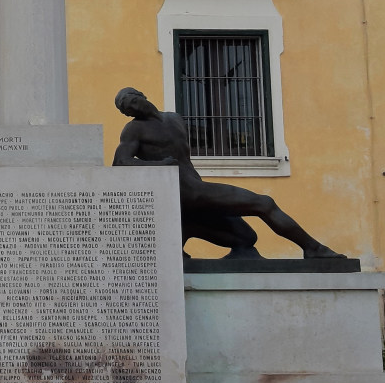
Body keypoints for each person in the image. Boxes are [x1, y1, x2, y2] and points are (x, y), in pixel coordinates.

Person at [112, 85, 338, 260]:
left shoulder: (174, 118)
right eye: (126, 109)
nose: (132, 108)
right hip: (186, 191)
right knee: (264, 203)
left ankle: (183, 229)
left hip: (195, 192)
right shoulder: (134, 129)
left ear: (142, 95)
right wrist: (159, 167)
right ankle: (313, 248)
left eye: (132, 101)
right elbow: (120, 162)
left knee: (246, 239)